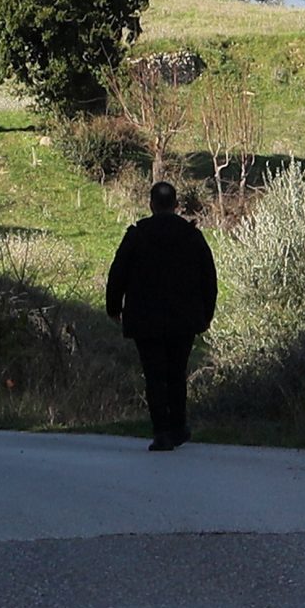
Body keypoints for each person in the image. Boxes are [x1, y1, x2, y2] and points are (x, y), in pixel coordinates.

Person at [102, 180, 218, 451]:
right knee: (177, 373)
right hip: (184, 319)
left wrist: (113, 308)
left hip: (146, 319)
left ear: (151, 204)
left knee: (154, 374)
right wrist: (206, 313)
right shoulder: (192, 236)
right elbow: (208, 278)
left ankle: (162, 432)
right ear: (176, 205)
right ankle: (178, 427)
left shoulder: (137, 234)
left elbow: (117, 273)